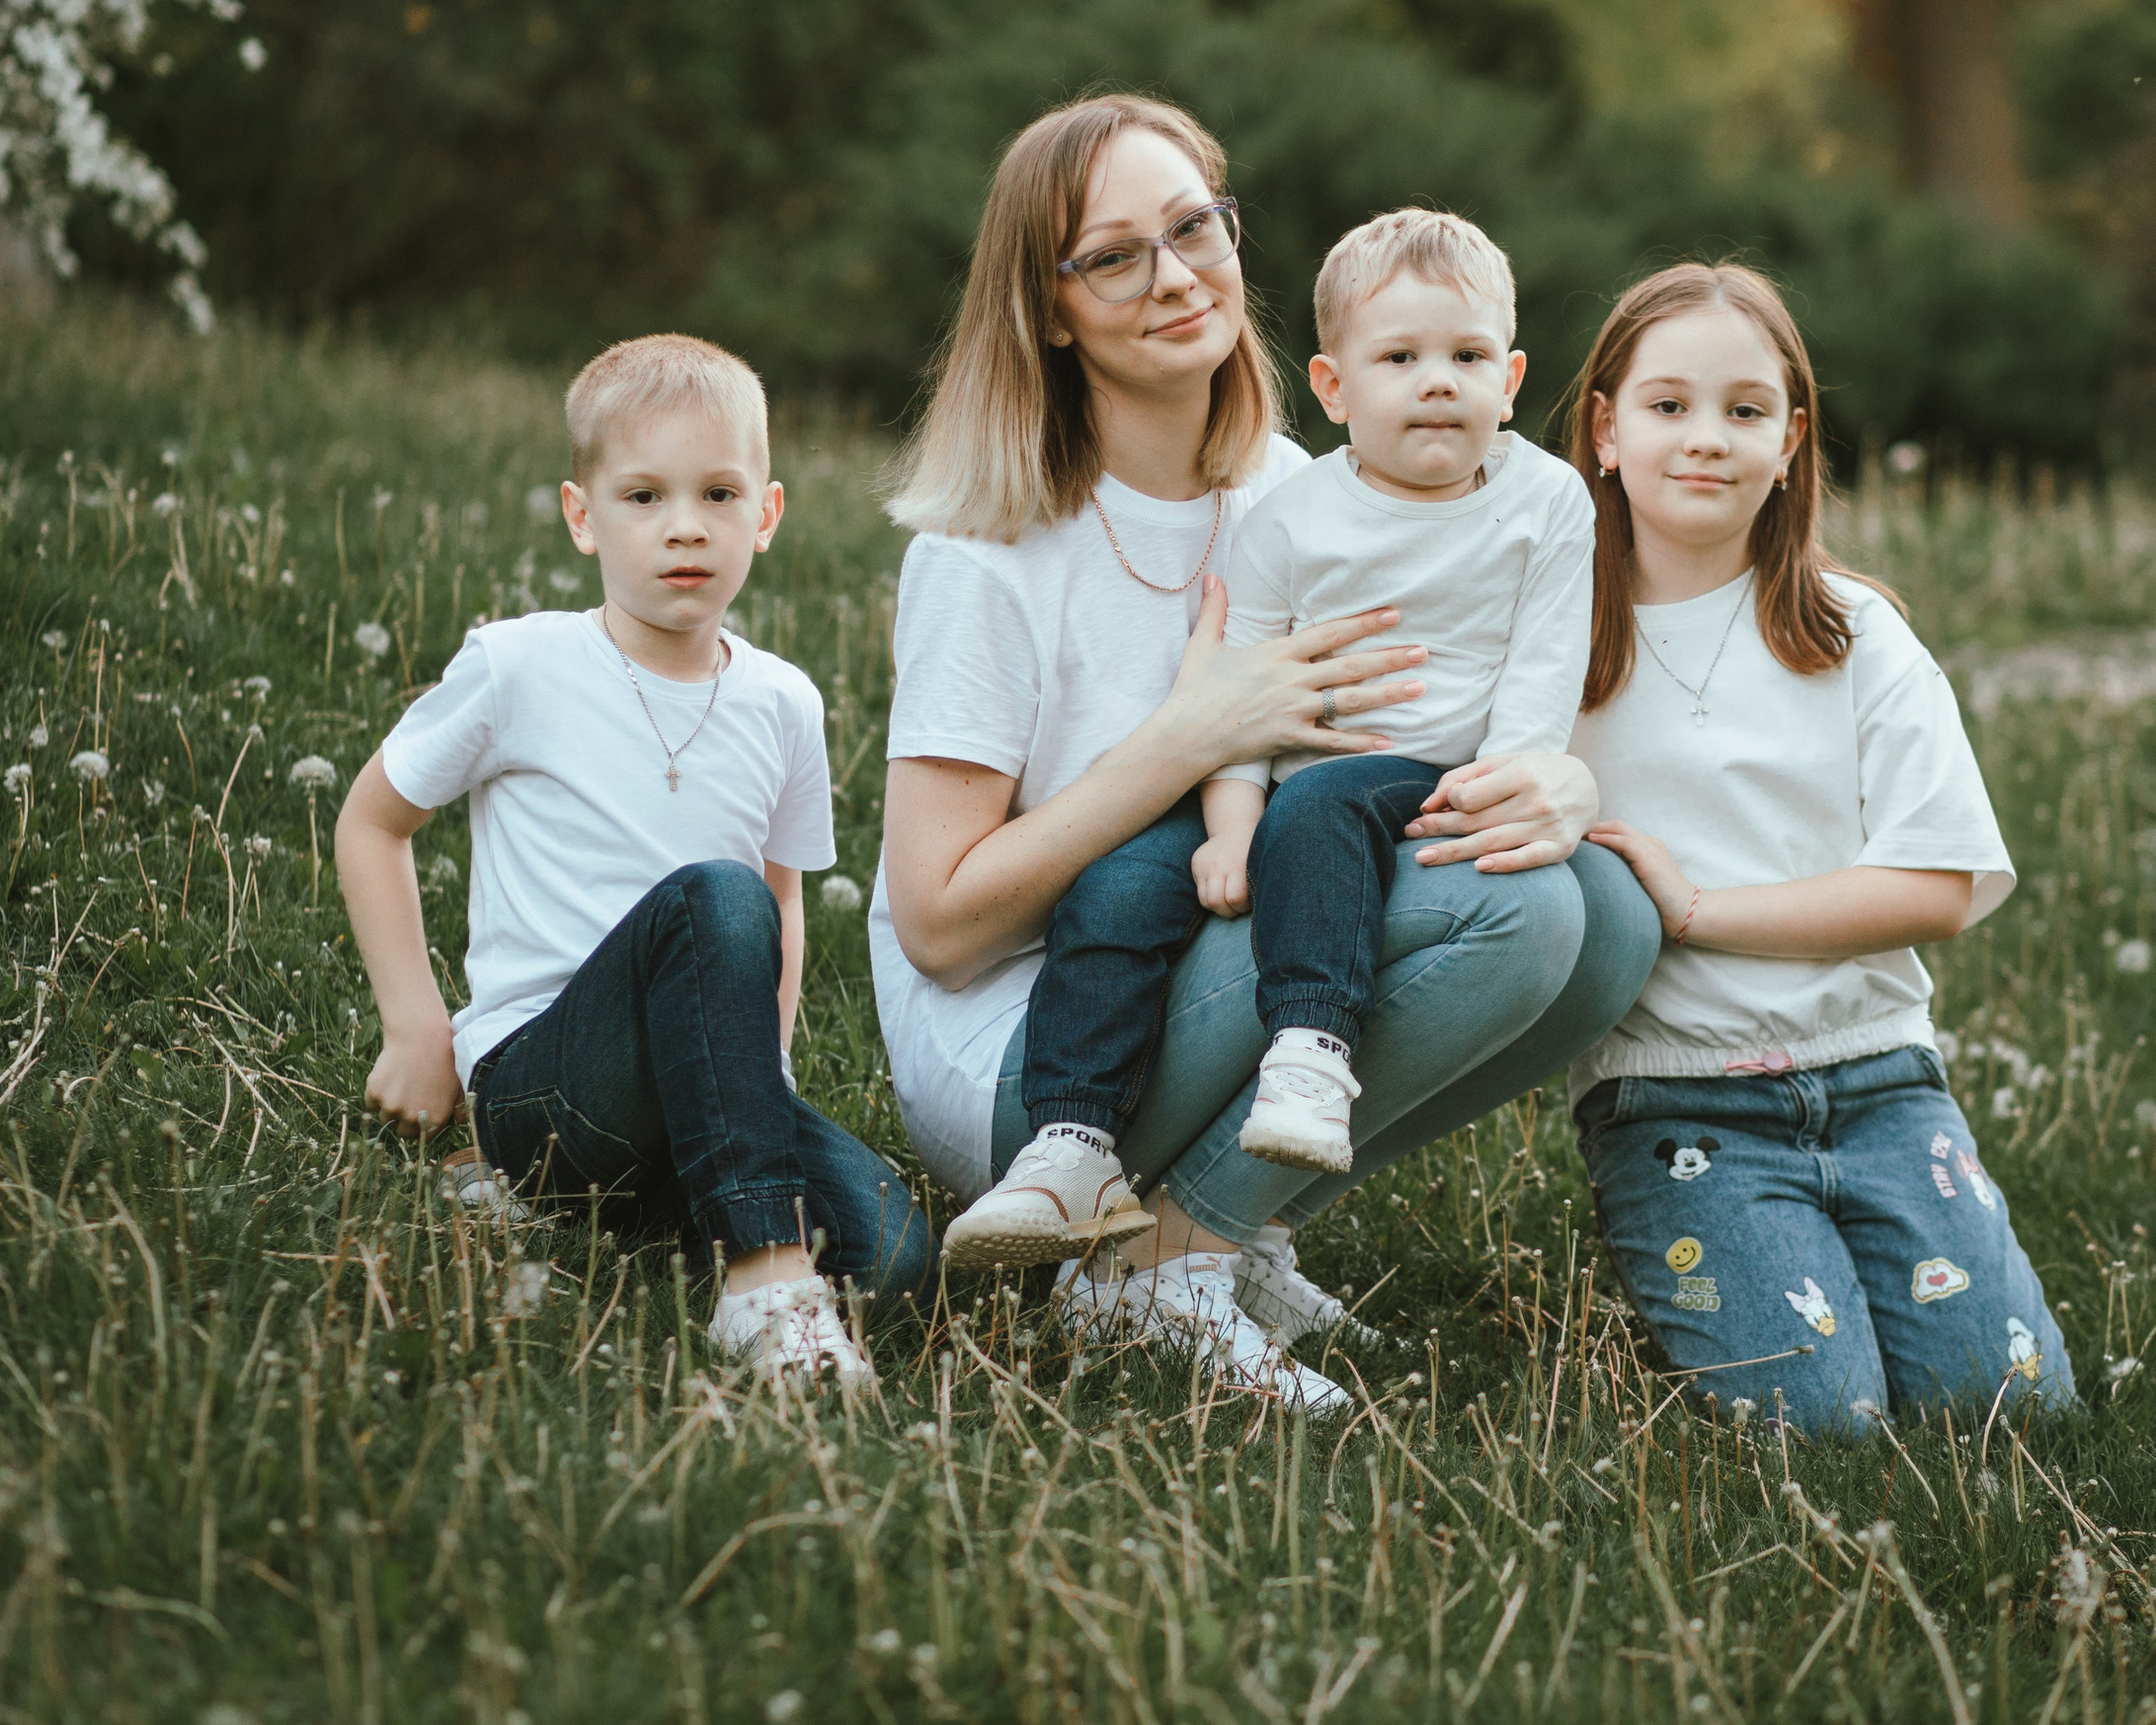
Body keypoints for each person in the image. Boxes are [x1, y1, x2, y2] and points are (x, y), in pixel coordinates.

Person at [873, 93, 1660, 1413]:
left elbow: (1428, 718)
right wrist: (1189, 736)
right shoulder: (984, 550)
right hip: (1037, 1057)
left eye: (1195, 226)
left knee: (1615, 920)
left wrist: (1559, 774)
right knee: (1512, 914)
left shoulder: (1302, 483)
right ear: (1051, 307)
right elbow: (942, 926)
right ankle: (1156, 1263)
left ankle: (1220, 1226)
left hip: (1232, 937)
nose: (1176, 276)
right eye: (1114, 254)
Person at [943, 208, 1594, 1268]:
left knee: (1332, 803)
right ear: (1335, 389)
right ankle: (1068, 1141)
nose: (1440, 381)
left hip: (1424, 778)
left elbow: (1545, 656)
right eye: (1402, 358)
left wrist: (1520, 770)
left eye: (1468, 356)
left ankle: (1310, 1053)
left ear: (1511, 377)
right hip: (1267, 781)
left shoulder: (1543, 498)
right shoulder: (1291, 516)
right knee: (1115, 887)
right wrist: (1230, 825)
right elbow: (1241, 689)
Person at [337, 333, 933, 1389]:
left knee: (894, 1257)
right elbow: (370, 823)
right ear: (582, 515)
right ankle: (764, 1283)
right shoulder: (519, 664)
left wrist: (764, 1077)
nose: (685, 527)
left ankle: (686, 1208)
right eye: (644, 496)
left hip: (705, 1074)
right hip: (549, 1089)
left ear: (768, 513)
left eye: (717, 492)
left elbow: (784, 907)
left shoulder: (785, 703)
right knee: (713, 897)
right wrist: (415, 1026)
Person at [1564, 264, 2074, 1437]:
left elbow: (1938, 886)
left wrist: (1697, 912)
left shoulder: (1852, 633)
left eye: (1746, 411)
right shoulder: (1554, 647)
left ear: (1791, 441)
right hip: (1676, 1102)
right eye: (1667, 406)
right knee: (1821, 1422)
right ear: (1604, 427)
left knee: (2012, 1411)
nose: (1707, 439)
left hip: (1881, 1082)